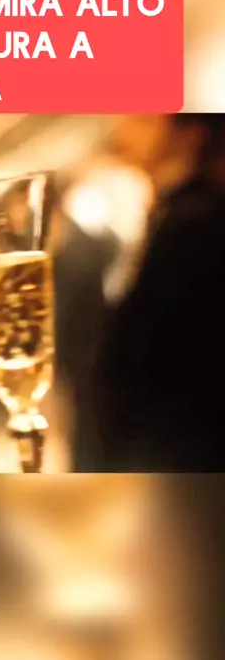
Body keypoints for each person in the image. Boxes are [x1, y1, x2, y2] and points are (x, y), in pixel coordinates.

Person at [91, 114, 225, 471]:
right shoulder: (170, 213)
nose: (122, 128)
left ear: (191, 135)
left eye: (143, 120)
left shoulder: (197, 224)